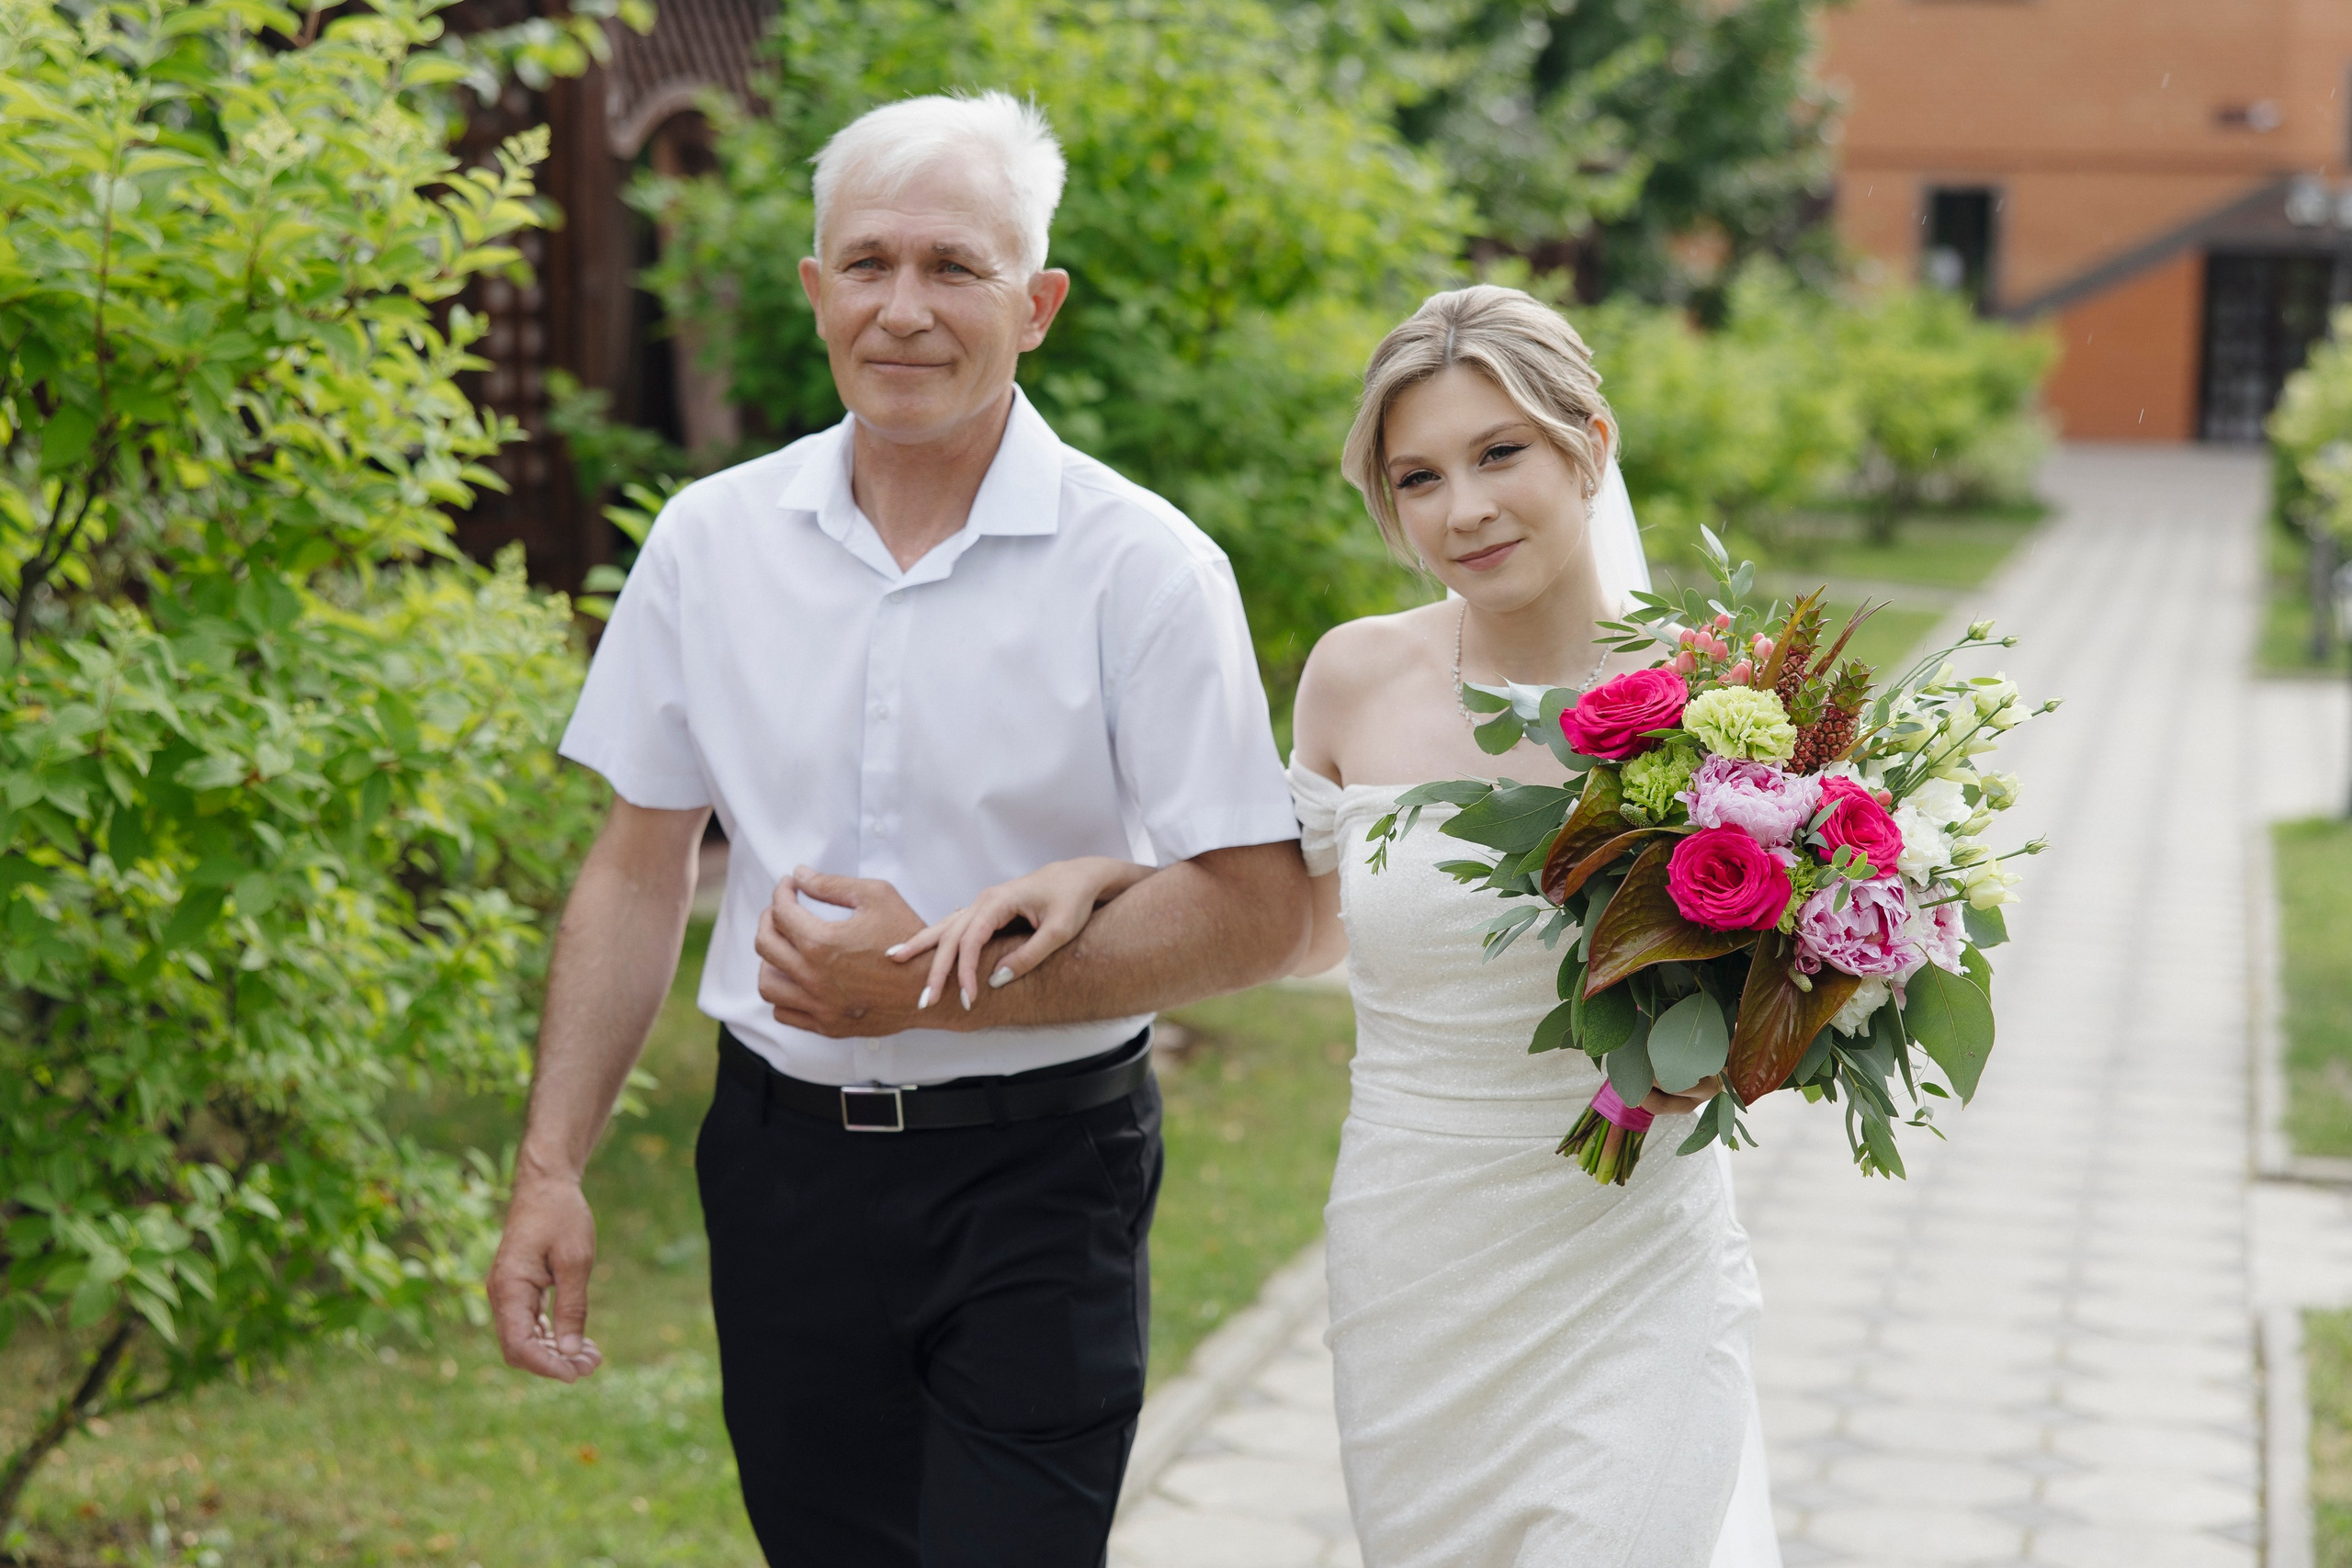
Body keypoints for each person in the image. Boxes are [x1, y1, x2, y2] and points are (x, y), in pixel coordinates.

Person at [485, 91, 1310, 1567]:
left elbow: (1254, 906)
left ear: (1038, 303)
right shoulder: (709, 542)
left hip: (1042, 1177)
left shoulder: (1146, 567)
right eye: (867, 264)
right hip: (777, 1168)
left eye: (956, 268)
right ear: (814, 293)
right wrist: (553, 1166)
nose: (906, 310)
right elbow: (635, 861)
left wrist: (935, 986)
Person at [907, 286, 1781, 1566]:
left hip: (1630, 1258)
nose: (1463, 508)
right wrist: (1110, 872)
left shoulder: (1731, 708)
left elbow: (1787, 994)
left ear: (1589, 443)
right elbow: (1306, 925)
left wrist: (1744, 1046)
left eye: (1501, 453)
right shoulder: (1356, 676)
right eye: (1417, 477)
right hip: (1419, 1257)